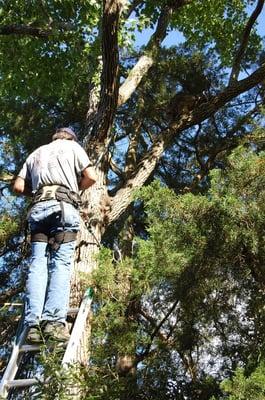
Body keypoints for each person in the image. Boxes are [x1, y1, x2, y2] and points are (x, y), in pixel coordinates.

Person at [13, 127, 97, 343]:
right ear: (71, 138)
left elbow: (18, 186)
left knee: (37, 265)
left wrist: (39, 193)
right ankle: (53, 322)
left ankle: (32, 325)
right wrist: (74, 190)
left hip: (38, 210)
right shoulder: (73, 148)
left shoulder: (36, 153)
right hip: (63, 209)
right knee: (60, 264)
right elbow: (91, 177)